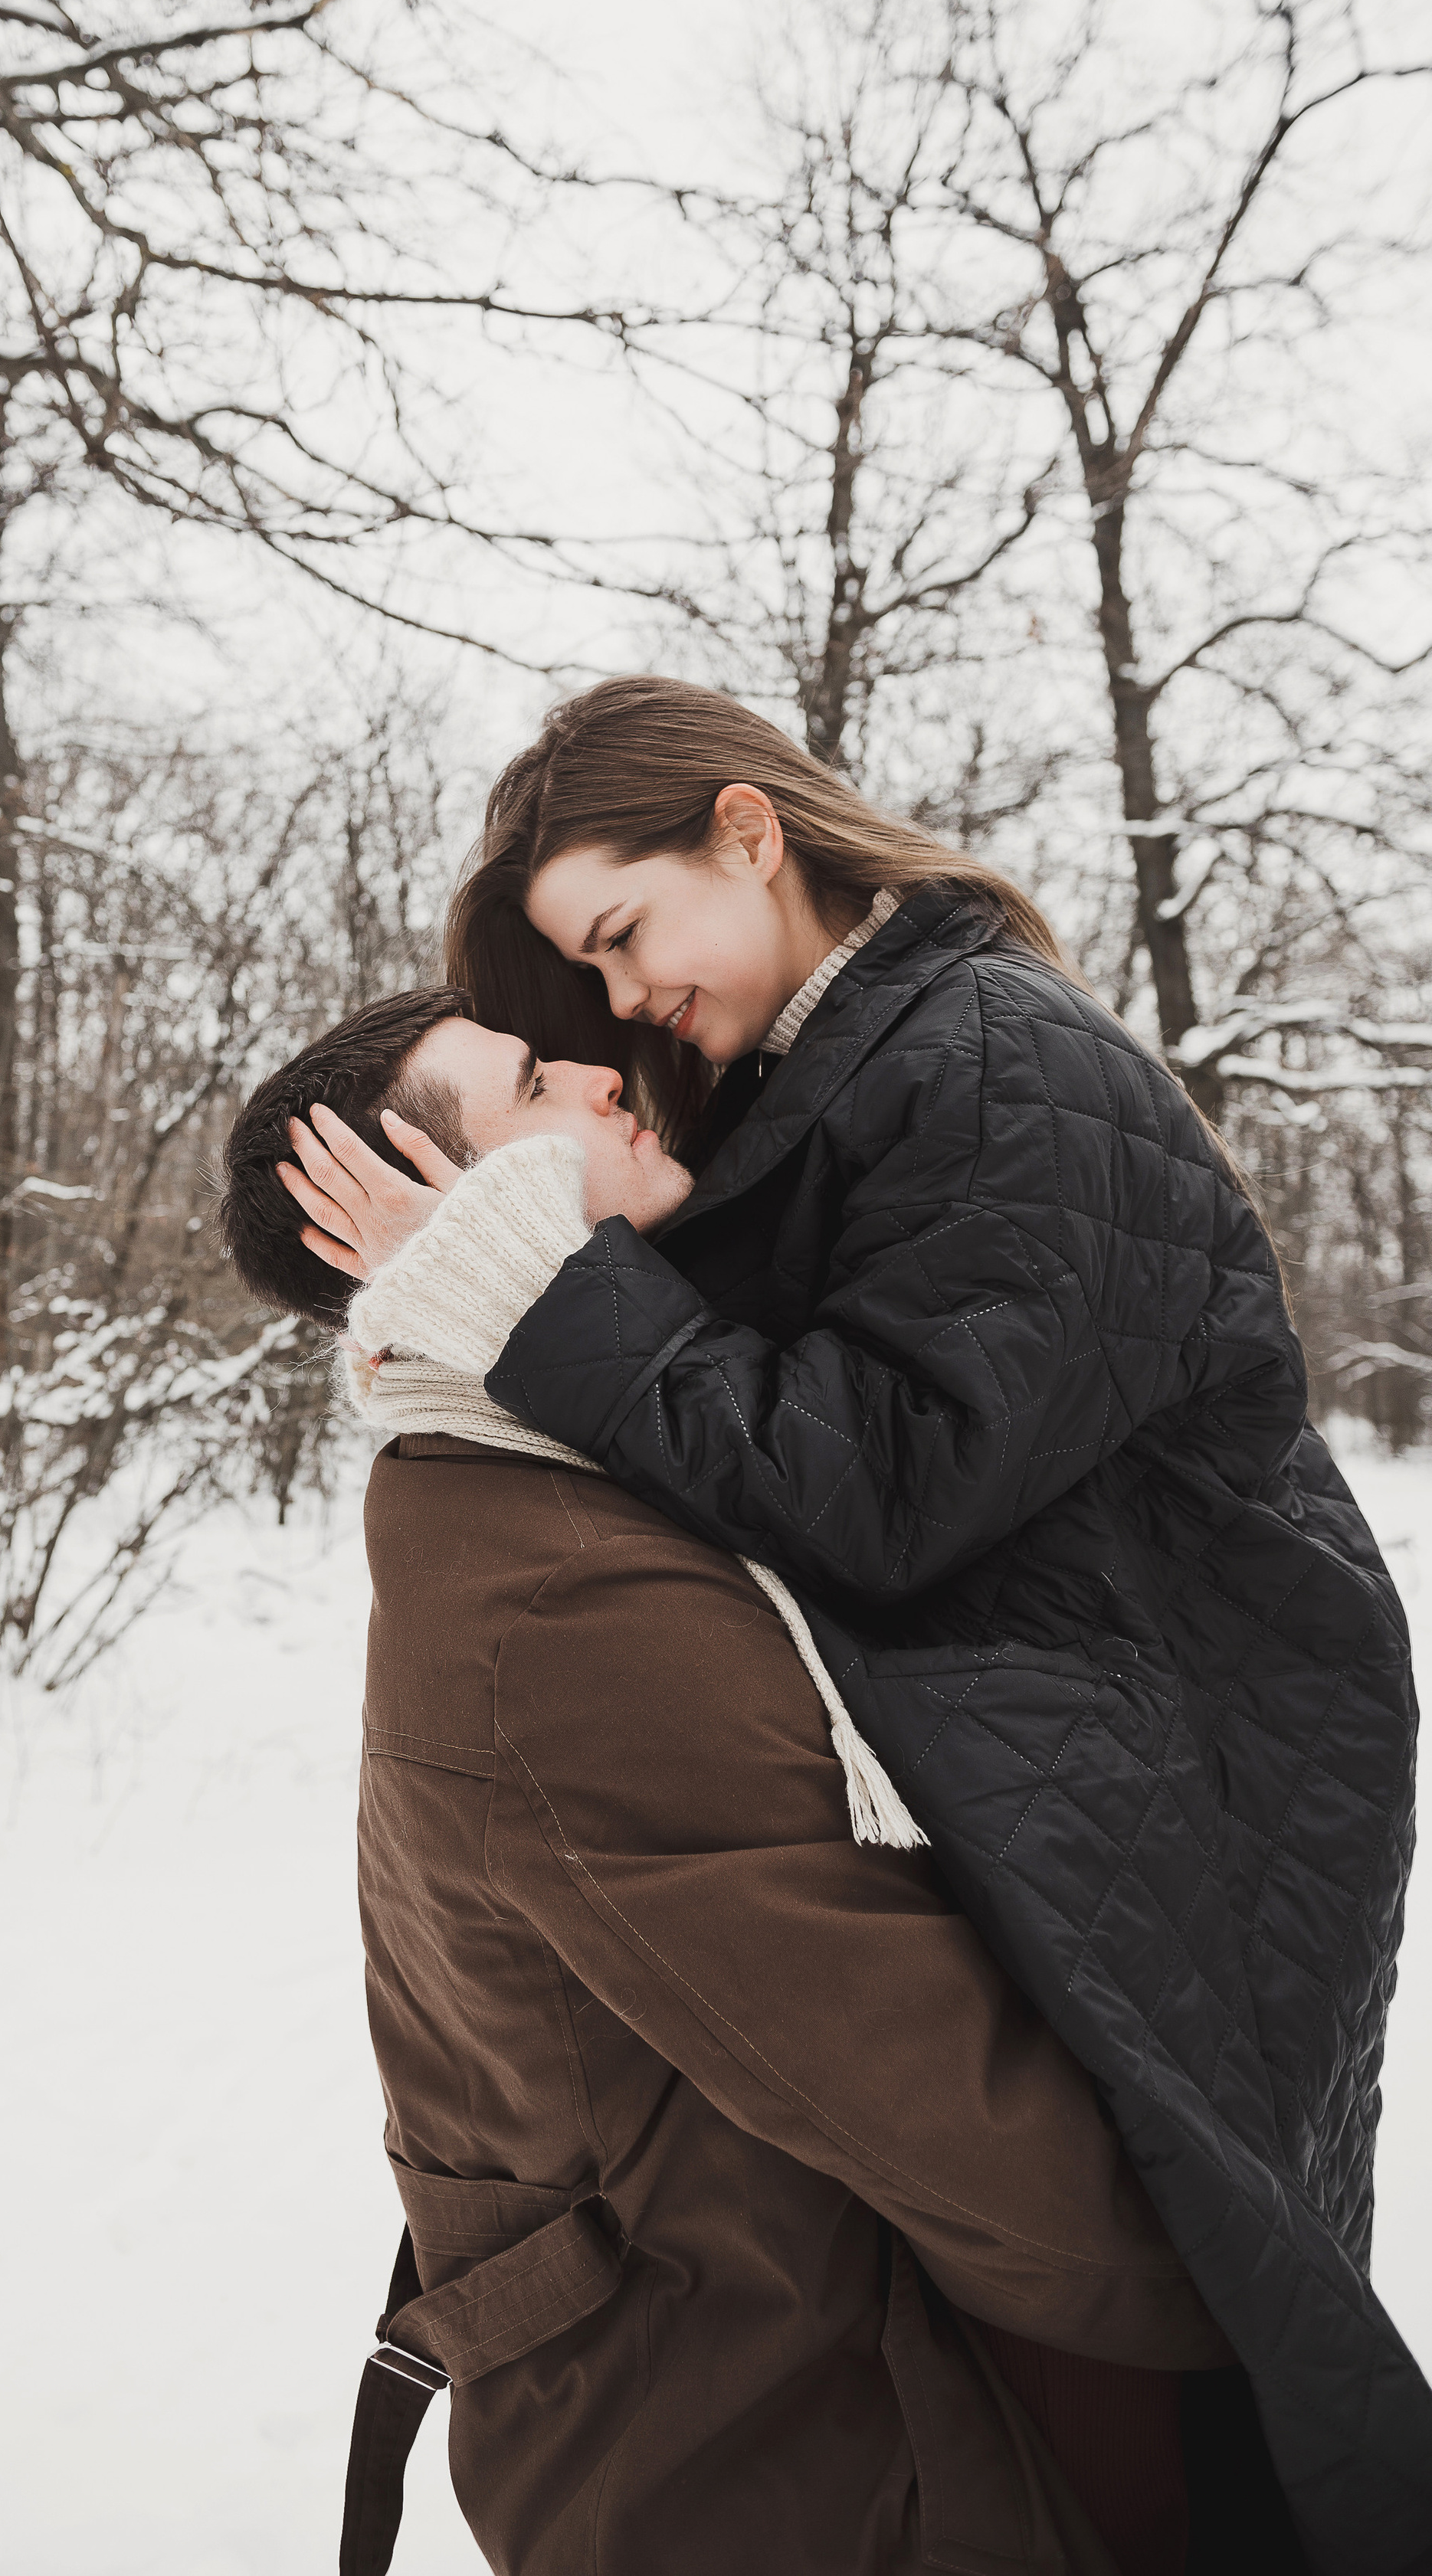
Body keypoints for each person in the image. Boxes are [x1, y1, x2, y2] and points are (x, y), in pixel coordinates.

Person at [271, 680, 1431, 2576]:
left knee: (1237, 2356)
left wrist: (531, 1283)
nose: (619, 1011)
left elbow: (881, 1485)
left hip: (1190, 1745)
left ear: (749, 832)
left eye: (621, 936)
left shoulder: (991, 1059)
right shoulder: (815, 1080)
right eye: (580, 979)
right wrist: (476, 1277)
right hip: (1066, 1747)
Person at [219, 986, 1260, 2576]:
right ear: (433, 1215)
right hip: (792, 2452)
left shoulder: (548, 1479)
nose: (594, 1072)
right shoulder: (555, 1595)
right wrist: (1240, 2295)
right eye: (527, 1083)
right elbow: (925, 2100)